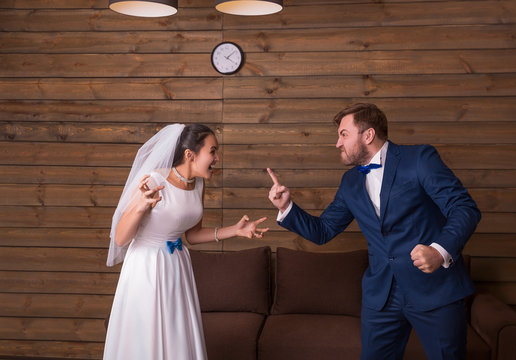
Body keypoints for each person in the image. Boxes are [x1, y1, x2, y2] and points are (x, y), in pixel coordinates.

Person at [267, 103, 481, 359]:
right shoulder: (350, 182)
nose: (337, 143)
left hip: (434, 290)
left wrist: (439, 251)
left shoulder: (419, 159)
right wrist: (287, 207)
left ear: (368, 135)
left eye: (343, 134)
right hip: (381, 296)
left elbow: (464, 208)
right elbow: (323, 231)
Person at [103, 123, 269, 360]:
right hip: (148, 267)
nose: (217, 158)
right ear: (190, 154)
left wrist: (236, 230)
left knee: (175, 335)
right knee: (147, 337)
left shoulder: (198, 183)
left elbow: (192, 235)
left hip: (177, 265)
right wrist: (141, 205)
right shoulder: (152, 180)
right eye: (212, 151)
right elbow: (120, 238)